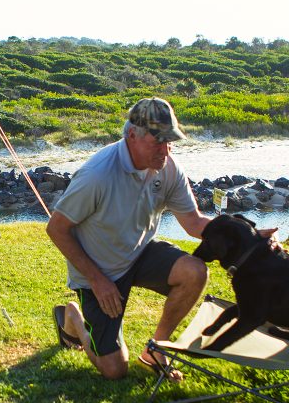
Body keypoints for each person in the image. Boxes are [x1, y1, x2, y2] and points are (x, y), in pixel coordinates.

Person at [47, 97, 277, 380]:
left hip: (140, 252)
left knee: (194, 272)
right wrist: (98, 280)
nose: (166, 150)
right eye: (158, 142)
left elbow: (194, 222)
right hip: (100, 269)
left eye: (170, 141)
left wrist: (249, 236)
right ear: (132, 135)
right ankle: (73, 319)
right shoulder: (97, 175)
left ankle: (156, 350)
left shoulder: (168, 167)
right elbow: (56, 229)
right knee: (115, 371)